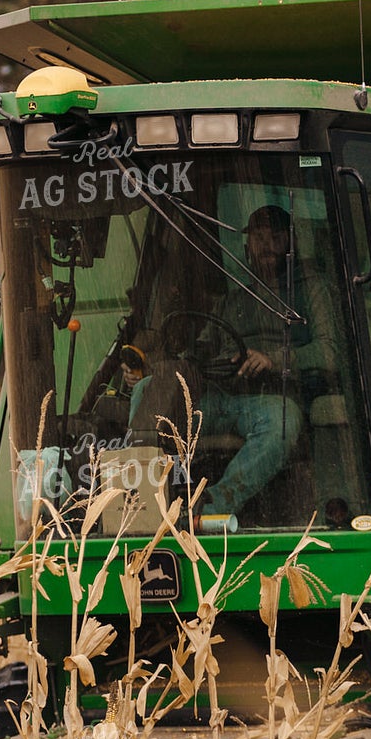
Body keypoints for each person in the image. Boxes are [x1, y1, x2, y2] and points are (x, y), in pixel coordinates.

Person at [130, 203, 313, 528]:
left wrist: (275, 360)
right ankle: (140, 499)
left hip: (269, 398)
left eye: (276, 236)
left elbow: (329, 351)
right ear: (246, 247)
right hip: (221, 396)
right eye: (259, 237)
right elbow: (201, 348)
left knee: (282, 419)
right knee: (147, 389)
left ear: (291, 244)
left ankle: (213, 503)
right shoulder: (233, 299)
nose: (267, 245)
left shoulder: (312, 292)